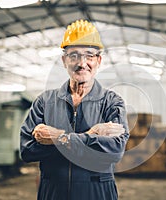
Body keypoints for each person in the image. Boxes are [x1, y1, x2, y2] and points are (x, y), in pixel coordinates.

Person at [20, 19, 129, 200]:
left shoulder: (112, 102)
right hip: (53, 192)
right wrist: (92, 135)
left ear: (98, 60)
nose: (82, 62)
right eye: (74, 55)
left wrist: (57, 137)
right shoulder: (44, 102)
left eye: (89, 55)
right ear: (64, 61)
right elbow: (28, 150)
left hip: (97, 192)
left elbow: (114, 151)